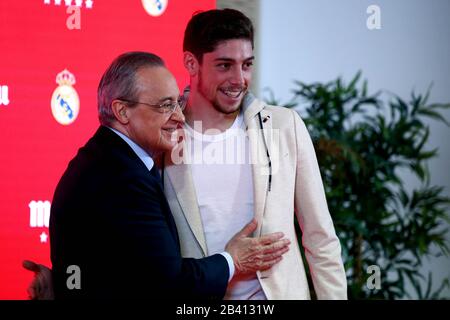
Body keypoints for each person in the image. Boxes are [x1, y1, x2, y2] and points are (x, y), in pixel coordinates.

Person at [40, 51, 290, 299]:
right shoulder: (122, 178)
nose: (180, 117)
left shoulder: (108, 160)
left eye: (178, 103)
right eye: (165, 105)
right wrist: (233, 260)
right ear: (122, 111)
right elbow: (170, 284)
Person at [158, 8, 347, 300]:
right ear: (191, 63)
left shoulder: (285, 126)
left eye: (246, 65)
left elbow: (320, 237)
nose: (239, 79)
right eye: (224, 65)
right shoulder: (163, 137)